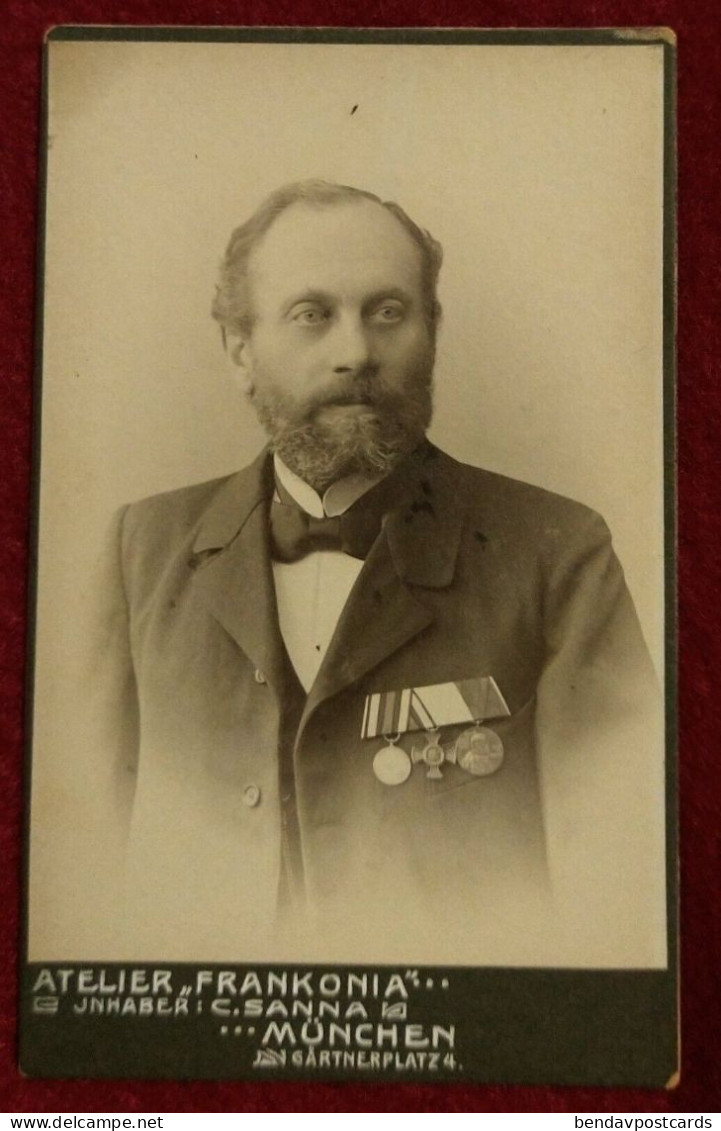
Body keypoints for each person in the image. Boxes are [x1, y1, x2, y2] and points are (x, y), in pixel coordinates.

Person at [92, 180, 665, 966]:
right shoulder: (138, 551)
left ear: (432, 331)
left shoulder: (556, 551)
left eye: (387, 311)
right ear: (238, 350)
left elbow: (620, 894)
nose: (355, 352)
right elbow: (79, 858)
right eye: (311, 314)